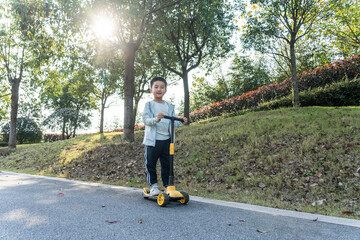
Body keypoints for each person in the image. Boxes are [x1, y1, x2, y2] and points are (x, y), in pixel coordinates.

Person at [142, 76, 188, 195]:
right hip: (153, 141)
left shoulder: (169, 106)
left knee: (167, 164)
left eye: (162, 87)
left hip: (167, 140)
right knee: (150, 163)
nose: (159, 89)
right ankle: (153, 186)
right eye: (156, 87)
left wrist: (181, 121)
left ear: (165, 90)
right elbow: (146, 120)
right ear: (151, 90)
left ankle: (168, 186)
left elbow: (173, 122)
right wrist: (156, 119)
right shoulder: (149, 105)